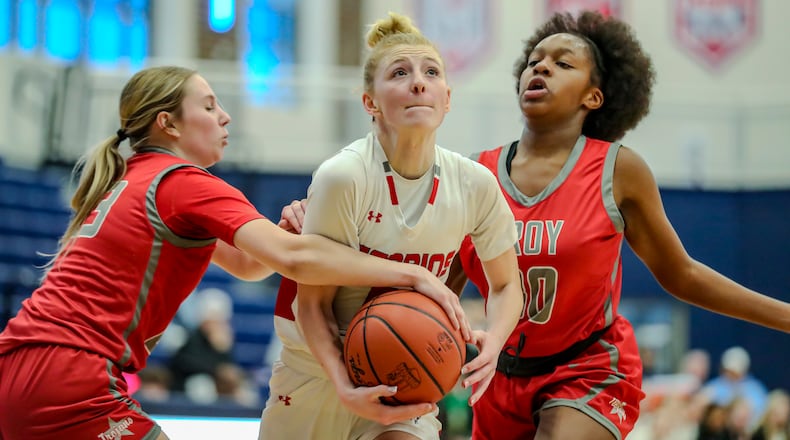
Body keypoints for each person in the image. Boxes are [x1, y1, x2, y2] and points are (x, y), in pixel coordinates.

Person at [0, 65, 467, 440]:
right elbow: (296, 260)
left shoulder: (130, 177)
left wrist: (281, 230)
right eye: (208, 106)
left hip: (18, 364)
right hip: (69, 375)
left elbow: (247, 264)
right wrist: (414, 276)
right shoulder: (183, 182)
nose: (224, 116)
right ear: (168, 124)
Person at [443, 11, 790, 440]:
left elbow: (682, 274)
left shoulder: (617, 170)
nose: (541, 67)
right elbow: (444, 284)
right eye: (534, 60)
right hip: (499, 375)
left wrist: (786, 316)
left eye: (563, 63)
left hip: (586, 368)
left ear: (593, 97)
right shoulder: (478, 174)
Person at [258, 12, 523, 440]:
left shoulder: (475, 183)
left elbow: (507, 285)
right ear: (370, 102)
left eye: (431, 72)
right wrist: (345, 387)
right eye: (400, 73)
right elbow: (313, 306)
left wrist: (494, 342)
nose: (419, 82)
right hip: (316, 367)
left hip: (405, 373)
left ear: (447, 98)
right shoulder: (345, 175)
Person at [698, 346, 769, 432]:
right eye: (728, 370)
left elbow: (761, 417)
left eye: (735, 372)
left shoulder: (755, 390)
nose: (731, 375)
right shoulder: (714, 386)